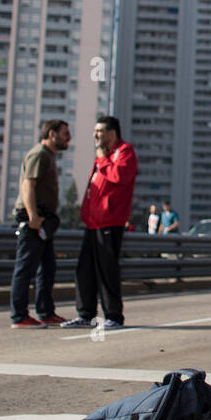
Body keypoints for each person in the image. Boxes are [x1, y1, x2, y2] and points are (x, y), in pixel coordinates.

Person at [62, 116, 137, 330]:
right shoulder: (103, 156)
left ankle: (114, 315)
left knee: (107, 270)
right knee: (84, 269)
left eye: (99, 131)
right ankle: (85, 314)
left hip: (110, 222)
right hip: (93, 223)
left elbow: (120, 176)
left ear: (112, 133)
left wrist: (103, 160)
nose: (95, 135)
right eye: (95, 131)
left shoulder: (124, 152)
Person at [9, 120, 70, 328]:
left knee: (47, 268)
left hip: (44, 219)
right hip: (34, 218)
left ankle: (45, 312)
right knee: (26, 267)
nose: (69, 138)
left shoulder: (48, 156)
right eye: (65, 134)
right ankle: (19, 316)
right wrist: (33, 217)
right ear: (52, 134)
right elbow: (28, 185)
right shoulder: (39, 154)